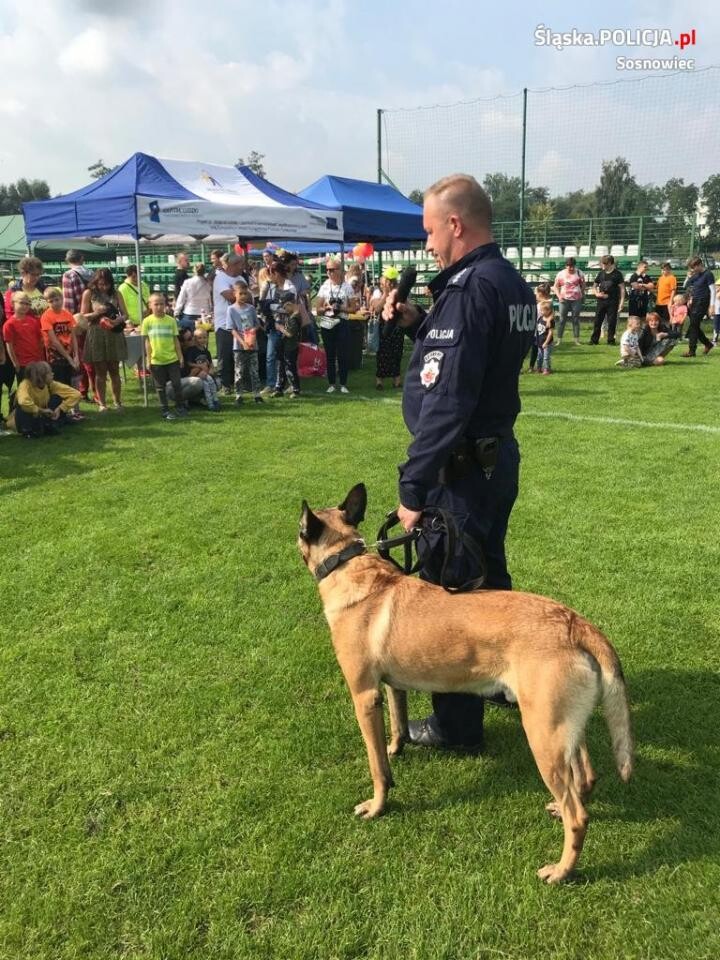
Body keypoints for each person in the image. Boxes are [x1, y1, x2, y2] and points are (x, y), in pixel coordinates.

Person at [383, 173, 534, 751]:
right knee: (489, 579)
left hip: (462, 474)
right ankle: (501, 677)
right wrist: (419, 325)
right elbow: (478, 358)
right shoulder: (509, 282)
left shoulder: (470, 289)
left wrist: (413, 489)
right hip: (496, 464)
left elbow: (447, 402)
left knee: (450, 595)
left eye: (429, 232)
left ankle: (454, 725)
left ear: (455, 224)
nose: (427, 246)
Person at [79, 269, 128, 412]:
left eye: (106, 284)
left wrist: (119, 319)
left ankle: (117, 402)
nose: (103, 287)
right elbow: (82, 316)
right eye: (100, 284)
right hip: (96, 332)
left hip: (113, 333)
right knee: (100, 371)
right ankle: (102, 404)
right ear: (95, 282)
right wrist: (96, 312)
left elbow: (125, 314)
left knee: (114, 369)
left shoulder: (116, 293)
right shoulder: (89, 294)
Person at [142, 293, 188, 421]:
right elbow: (147, 342)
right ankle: (165, 409)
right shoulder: (147, 322)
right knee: (160, 387)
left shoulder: (171, 320)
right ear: (150, 305)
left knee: (177, 384)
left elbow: (176, 340)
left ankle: (180, 406)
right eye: (156, 304)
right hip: (156, 360)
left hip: (172, 359)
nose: (159, 306)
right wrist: (148, 359)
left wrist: (180, 357)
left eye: (161, 303)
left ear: (165, 305)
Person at [314, 258, 357, 394]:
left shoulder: (347, 287)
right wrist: (327, 307)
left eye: (332, 270)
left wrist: (341, 308)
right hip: (327, 322)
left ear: (340, 270)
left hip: (342, 322)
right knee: (330, 354)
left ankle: (343, 383)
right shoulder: (325, 286)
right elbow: (318, 309)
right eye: (327, 270)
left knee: (343, 354)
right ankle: (331, 383)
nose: (329, 272)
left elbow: (354, 308)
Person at [7, 361, 81, 438]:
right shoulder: (25, 385)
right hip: (22, 419)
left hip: (39, 415)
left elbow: (76, 394)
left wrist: (60, 408)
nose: (53, 374)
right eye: (49, 373)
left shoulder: (51, 384)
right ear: (41, 376)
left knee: (56, 398)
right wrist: (42, 410)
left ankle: (48, 424)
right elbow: (23, 402)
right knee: (23, 406)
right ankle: (27, 431)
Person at [259, 259, 296, 396]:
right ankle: (272, 384)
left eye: (271, 273)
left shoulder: (290, 287)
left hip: (287, 326)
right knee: (271, 356)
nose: (269, 277)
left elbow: (287, 308)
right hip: (273, 325)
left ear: (277, 273)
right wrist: (270, 304)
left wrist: (271, 305)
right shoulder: (270, 286)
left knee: (287, 357)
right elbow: (263, 305)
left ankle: (290, 384)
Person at [62, 249, 94, 402]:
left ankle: (83, 390)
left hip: (78, 321)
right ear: (82, 258)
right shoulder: (92, 273)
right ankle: (96, 391)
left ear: (67, 260)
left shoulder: (69, 275)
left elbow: (68, 302)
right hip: (93, 319)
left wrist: (69, 324)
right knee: (92, 357)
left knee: (80, 356)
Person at [212, 253, 247, 393]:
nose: (243, 267)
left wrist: (239, 295)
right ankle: (225, 385)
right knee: (225, 355)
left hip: (241, 323)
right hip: (223, 323)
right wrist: (240, 295)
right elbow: (230, 297)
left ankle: (239, 383)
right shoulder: (220, 278)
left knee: (240, 355)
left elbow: (248, 297)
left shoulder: (240, 278)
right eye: (240, 265)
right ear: (233, 265)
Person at [228, 283, 263, 404]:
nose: (243, 296)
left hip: (252, 344)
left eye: (245, 293)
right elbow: (231, 329)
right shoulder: (231, 309)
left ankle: (257, 394)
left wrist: (254, 330)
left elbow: (257, 324)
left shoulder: (251, 308)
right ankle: (239, 395)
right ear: (235, 294)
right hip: (239, 346)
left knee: (254, 370)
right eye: (240, 294)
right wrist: (242, 342)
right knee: (239, 371)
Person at [372, 267, 404, 389]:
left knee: (397, 353)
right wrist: (385, 294)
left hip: (397, 326)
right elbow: (377, 309)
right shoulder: (378, 292)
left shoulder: (399, 292)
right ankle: (379, 380)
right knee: (382, 353)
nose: (384, 283)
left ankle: (397, 379)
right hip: (383, 326)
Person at [3, 290, 44, 383]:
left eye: (27, 303)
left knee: (37, 387)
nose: (25, 306)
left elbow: (40, 340)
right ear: (13, 303)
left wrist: (40, 358)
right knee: (24, 390)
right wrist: (15, 362)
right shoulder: (9, 324)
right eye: (21, 303)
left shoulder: (33, 321)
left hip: (36, 361)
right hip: (22, 364)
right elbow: (9, 345)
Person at [682, 256, 715, 357]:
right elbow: (685, 285)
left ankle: (692, 351)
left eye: (693, 267)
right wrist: (688, 276)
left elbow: (713, 291)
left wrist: (712, 305)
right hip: (694, 302)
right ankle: (708, 344)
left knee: (693, 325)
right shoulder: (696, 275)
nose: (692, 269)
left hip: (703, 302)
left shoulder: (708, 274)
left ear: (699, 265)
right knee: (694, 325)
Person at [590, 255, 625, 346]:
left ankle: (610, 340)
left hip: (613, 301)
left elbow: (622, 289)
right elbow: (594, 286)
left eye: (604, 263)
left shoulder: (617, 274)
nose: (603, 265)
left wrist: (621, 303)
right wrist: (597, 293)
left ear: (610, 263)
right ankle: (594, 340)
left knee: (612, 321)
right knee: (598, 320)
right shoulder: (601, 273)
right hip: (601, 301)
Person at [183, 328, 221, 411]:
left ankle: (215, 400)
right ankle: (210, 404)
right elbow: (189, 363)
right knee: (206, 386)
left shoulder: (207, 352)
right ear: (195, 339)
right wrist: (200, 366)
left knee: (213, 383)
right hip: (197, 374)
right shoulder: (192, 350)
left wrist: (211, 369)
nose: (202, 340)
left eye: (204, 337)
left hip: (206, 373)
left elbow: (210, 363)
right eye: (200, 338)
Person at [552, 257, 585, 345]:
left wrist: (580, 294)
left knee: (576, 319)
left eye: (573, 266)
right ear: (566, 266)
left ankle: (576, 340)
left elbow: (583, 284)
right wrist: (559, 296)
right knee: (562, 320)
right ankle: (559, 340)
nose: (571, 268)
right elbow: (555, 286)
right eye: (569, 266)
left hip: (576, 299)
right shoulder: (560, 274)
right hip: (563, 299)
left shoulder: (579, 273)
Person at [174, 263, 212, 331]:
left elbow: (181, 298)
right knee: (203, 338)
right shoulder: (208, 283)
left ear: (194, 270)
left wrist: (176, 312)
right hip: (204, 314)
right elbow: (210, 299)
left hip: (189, 312)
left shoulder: (187, 282)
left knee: (189, 339)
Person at [535, 300, 555, 375]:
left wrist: (546, 342)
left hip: (547, 342)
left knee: (546, 357)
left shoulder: (551, 321)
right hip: (539, 341)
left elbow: (550, 333)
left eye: (542, 310)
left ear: (548, 311)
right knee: (539, 357)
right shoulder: (540, 318)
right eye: (540, 310)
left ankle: (547, 369)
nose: (540, 311)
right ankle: (539, 368)